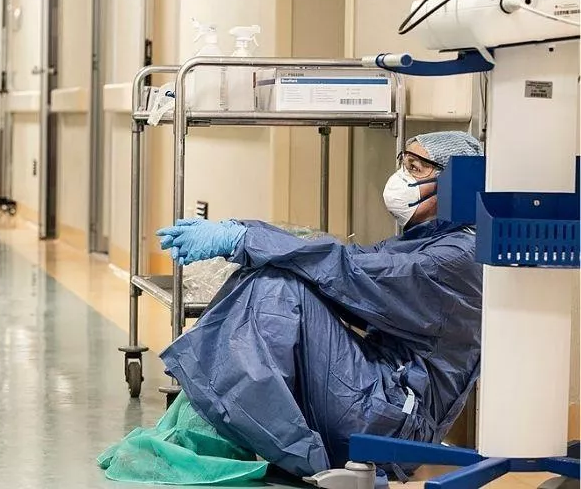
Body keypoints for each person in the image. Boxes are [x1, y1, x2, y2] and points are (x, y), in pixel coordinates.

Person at [154, 131, 484, 478]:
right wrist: (242, 232)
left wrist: (245, 238)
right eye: (404, 163)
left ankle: (284, 451)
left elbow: (348, 271)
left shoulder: (454, 258)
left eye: (415, 168)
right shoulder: (427, 240)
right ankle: (223, 428)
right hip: (374, 397)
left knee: (277, 287)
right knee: (279, 273)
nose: (401, 176)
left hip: (393, 422)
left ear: (454, 182)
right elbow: (343, 265)